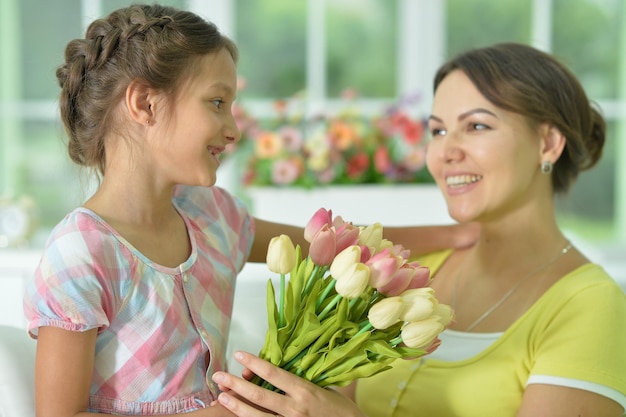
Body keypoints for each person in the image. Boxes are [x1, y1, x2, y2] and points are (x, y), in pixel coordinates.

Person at [22, 4, 476, 417]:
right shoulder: (82, 250)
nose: (233, 128)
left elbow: (339, 249)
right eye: (217, 103)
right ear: (145, 104)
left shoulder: (211, 216)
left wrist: (455, 235)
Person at [212, 43, 626, 417]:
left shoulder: (591, 306)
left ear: (548, 143)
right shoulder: (409, 271)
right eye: (438, 130)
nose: (446, 151)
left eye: (477, 126)